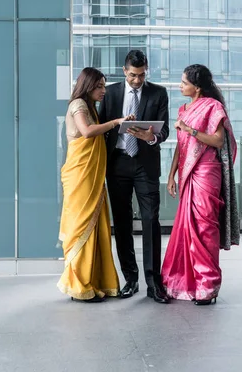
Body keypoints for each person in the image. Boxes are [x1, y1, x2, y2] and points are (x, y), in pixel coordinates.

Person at [162, 64, 240, 305]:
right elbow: (180, 144)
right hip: (187, 172)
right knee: (187, 229)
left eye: (184, 82)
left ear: (197, 87)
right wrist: (171, 174)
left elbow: (217, 141)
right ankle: (186, 282)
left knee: (205, 228)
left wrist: (189, 129)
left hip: (207, 172)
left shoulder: (214, 107)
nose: (180, 86)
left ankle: (208, 286)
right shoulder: (183, 109)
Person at [98, 50, 171, 304]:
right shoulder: (112, 92)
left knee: (151, 220)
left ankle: (154, 283)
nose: (137, 80)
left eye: (141, 75)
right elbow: (102, 127)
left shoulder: (158, 93)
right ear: (124, 70)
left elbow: (165, 131)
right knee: (123, 222)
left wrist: (150, 137)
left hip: (145, 164)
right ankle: (131, 279)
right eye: (132, 75)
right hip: (117, 162)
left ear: (146, 70)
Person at [57, 67, 135, 302]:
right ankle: (79, 285)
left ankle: (95, 281)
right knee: (82, 225)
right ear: (88, 86)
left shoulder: (90, 106)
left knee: (95, 224)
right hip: (81, 175)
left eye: (103, 85)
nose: (103, 90)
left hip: (92, 176)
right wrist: (116, 122)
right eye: (99, 86)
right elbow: (87, 132)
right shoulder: (78, 105)